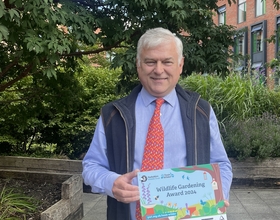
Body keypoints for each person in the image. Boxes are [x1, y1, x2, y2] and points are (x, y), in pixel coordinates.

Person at [82, 27, 233, 220]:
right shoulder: (113, 115)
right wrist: (111, 183)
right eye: (150, 62)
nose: (158, 70)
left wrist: (219, 193)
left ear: (180, 64)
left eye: (167, 62)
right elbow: (92, 165)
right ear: (138, 65)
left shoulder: (200, 111)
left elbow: (221, 163)